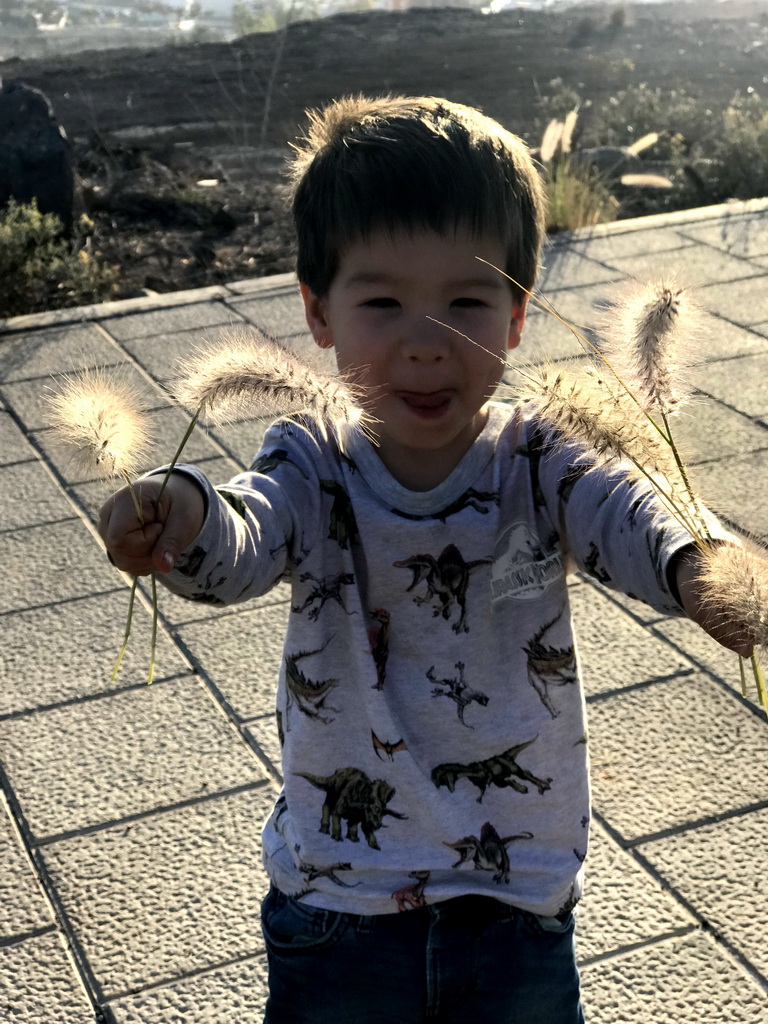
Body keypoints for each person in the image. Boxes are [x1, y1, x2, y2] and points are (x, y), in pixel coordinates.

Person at [99, 95, 750, 1024]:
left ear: (519, 315)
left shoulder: (545, 455)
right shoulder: (312, 460)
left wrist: (701, 570)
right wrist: (184, 515)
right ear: (317, 313)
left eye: (467, 300)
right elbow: (241, 543)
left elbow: (627, 508)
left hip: (518, 899)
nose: (425, 339)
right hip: (340, 900)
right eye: (383, 302)